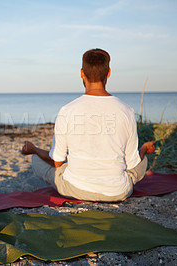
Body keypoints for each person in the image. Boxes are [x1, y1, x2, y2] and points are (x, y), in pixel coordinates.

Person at [21, 48, 154, 202]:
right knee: (142, 162)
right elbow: (132, 163)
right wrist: (144, 149)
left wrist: (34, 149)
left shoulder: (67, 110)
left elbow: (57, 162)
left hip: (75, 190)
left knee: (37, 160)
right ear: (108, 72)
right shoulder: (127, 111)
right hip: (118, 192)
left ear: (82, 73)